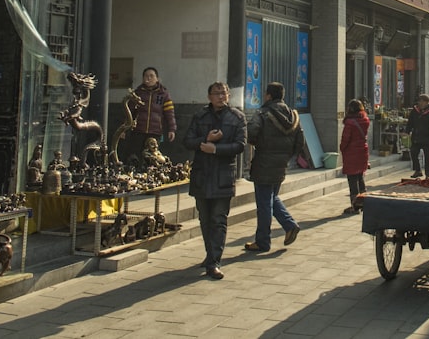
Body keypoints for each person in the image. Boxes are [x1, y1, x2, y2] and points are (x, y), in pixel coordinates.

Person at [183, 82, 246, 280]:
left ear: (228, 95)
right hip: (202, 174)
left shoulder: (237, 117)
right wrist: (205, 139)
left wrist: (217, 149)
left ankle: (214, 262)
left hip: (223, 175)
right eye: (216, 93)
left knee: (219, 220)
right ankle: (210, 255)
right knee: (205, 219)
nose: (220, 96)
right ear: (209, 96)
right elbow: (187, 141)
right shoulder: (200, 116)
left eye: (224, 93)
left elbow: (240, 145)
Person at [245, 81, 304, 252]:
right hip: (281, 164)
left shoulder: (263, 113)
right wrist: (286, 155)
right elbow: (300, 141)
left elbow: (251, 133)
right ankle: (290, 225)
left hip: (263, 162)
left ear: (268, 95)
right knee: (271, 197)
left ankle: (263, 241)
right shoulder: (293, 116)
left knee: (264, 204)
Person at [122, 67, 176, 165]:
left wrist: (172, 129)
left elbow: (169, 113)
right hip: (138, 131)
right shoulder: (137, 93)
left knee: (153, 159)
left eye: (152, 76)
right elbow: (129, 113)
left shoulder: (163, 94)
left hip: (155, 132)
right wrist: (124, 129)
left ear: (157, 79)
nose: (149, 78)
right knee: (136, 158)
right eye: (146, 76)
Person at [340, 99, 369, 214]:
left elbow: (345, 139)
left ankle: (355, 206)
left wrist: (342, 148)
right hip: (363, 150)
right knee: (360, 177)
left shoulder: (350, 123)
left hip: (352, 152)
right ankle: (365, 203)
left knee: (352, 180)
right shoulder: (365, 119)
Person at [405, 94, 429, 178]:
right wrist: (407, 131)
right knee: (413, 153)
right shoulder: (415, 111)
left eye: (422, 101)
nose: (420, 103)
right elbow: (410, 122)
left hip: (427, 138)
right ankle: (417, 170)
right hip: (416, 137)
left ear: (426, 102)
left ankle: (428, 174)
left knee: (428, 157)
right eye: (419, 101)